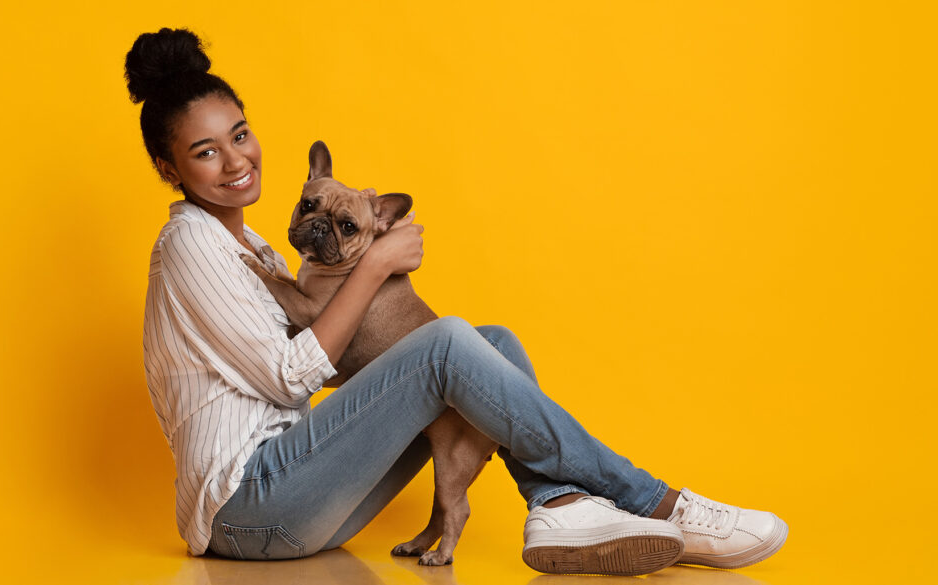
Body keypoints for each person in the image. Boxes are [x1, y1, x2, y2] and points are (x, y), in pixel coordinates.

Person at [129, 28, 788, 576]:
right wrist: (378, 264)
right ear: (170, 167)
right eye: (205, 151)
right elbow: (287, 376)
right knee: (447, 341)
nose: (235, 159)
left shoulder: (262, 252)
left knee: (488, 340)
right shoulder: (190, 244)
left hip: (306, 491)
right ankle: (655, 500)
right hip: (249, 507)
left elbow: (321, 362)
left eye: (239, 134)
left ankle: (558, 504)